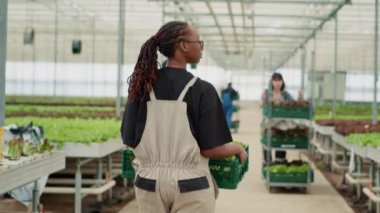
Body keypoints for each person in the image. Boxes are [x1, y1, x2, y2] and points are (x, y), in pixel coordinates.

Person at [120, 21, 247, 213]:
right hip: (191, 185)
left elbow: (128, 138)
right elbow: (211, 148)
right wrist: (237, 149)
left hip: (148, 183)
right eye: (199, 42)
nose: (201, 47)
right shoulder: (202, 90)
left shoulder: (141, 87)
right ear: (184, 45)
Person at [261, 72, 303, 162]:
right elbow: (263, 104)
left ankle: (279, 161)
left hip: (282, 123)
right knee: (268, 141)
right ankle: (267, 162)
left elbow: (294, 104)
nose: (277, 82)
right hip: (270, 123)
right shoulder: (267, 93)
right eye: (275, 80)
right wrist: (263, 100)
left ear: (282, 82)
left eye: (279, 80)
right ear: (271, 82)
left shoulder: (285, 94)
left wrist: (300, 98)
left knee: (280, 141)